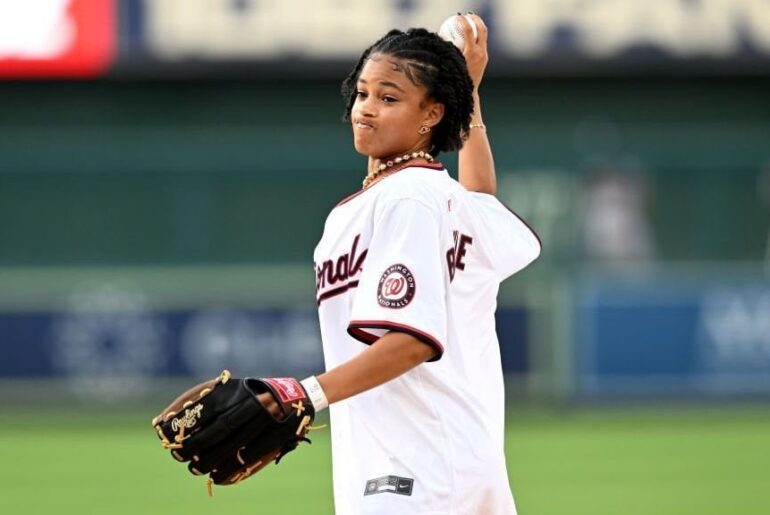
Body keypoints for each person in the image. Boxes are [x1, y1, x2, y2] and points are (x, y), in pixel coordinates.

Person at [264, 14, 540, 514]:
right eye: (363, 93)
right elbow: (480, 199)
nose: (365, 110)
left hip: (413, 475)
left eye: (388, 98)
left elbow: (410, 341)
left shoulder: (409, 198)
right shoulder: (438, 198)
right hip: (450, 463)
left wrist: (302, 397)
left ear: (431, 114)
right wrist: (468, 97)